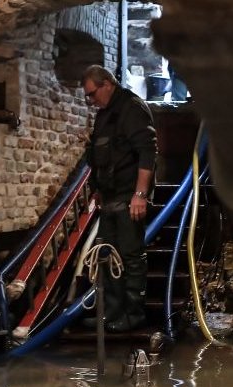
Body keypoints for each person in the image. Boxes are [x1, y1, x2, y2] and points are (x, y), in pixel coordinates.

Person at [82, 65, 157, 332]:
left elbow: (147, 151)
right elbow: (102, 156)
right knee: (108, 255)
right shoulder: (105, 115)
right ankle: (112, 313)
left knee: (131, 255)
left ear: (107, 84)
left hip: (129, 196)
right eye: (87, 97)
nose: (91, 101)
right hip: (111, 196)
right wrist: (99, 189)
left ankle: (133, 314)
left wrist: (140, 194)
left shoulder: (131, 108)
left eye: (92, 94)